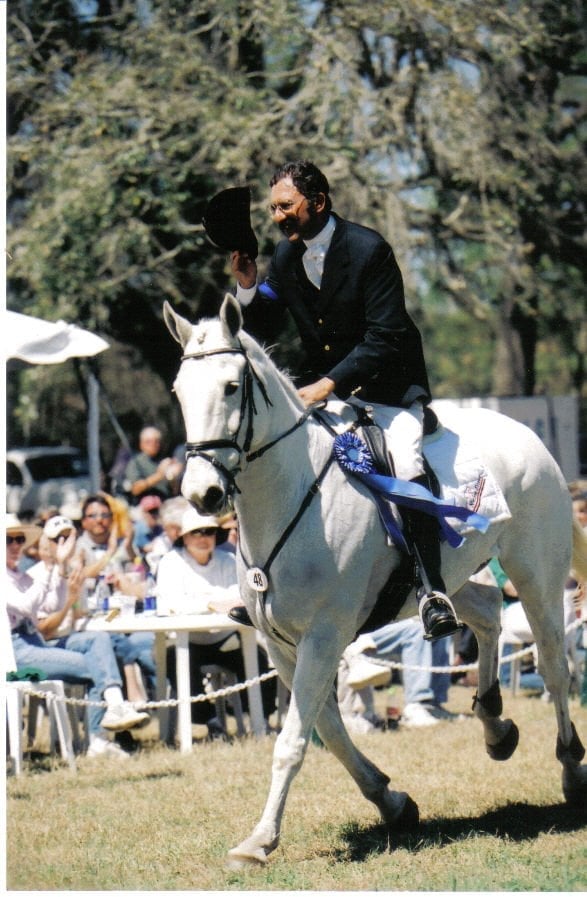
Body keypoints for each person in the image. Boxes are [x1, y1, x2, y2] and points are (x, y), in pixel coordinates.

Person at [230, 159, 457, 640]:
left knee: (405, 459)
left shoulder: (369, 249)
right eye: (272, 208)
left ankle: (431, 589)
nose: (277, 216)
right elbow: (265, 324)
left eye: (286, 206)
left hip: (389, 386)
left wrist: (330, 383)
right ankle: (265, 581)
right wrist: (249, 287)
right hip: (327, 388)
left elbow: (385, 335)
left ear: (318, 202)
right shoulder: (286, 255)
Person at [6, 513, 148, 759]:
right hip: (14, 651)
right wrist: (55, 572)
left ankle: (113, 710)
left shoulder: (21, 575)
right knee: (97, 664)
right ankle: (99, 738)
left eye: (19, 539)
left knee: (99, 639)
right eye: (9, 540)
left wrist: (59, 568)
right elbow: (27, 607)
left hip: (33, 643)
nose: (16, 545)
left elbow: (53, 602)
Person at [156, 506, 276, 739]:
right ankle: (211, 723)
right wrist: (212, 603)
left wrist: (202, 602)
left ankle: (261, 721)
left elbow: (240, 599)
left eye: (208, 532)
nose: (203, 538)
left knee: (259, 657)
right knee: (174, 661)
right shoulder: (170, 563)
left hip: (224, 638)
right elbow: (171, 605)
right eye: (196, 533)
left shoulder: (228, 559)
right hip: (188, 641)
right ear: (184, 537)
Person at [74, 497, 157, 703]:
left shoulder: (124, 546)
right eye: (92, 516)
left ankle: (166, 711)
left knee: (154, 648)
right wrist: (110, 553)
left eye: (105, 515)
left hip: (125, 618)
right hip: (92, 621)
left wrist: (126, 550)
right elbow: (81, 575)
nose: (99, 520)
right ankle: (134, 699)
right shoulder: (77, 548)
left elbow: (141, 585)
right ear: (83, 521)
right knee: (120, 646)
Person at [339, 617, 463, 729]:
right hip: (359, 632)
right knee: (417, 630)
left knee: (439, 629)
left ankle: (432, 705)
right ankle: (416, 705)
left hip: (383, 623)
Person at [123, 426, 183, 504]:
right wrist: (159, 475)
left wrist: (176, 476)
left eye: (156, 441)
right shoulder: (135, 463)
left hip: (168, 502)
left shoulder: (166, 459)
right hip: (146, 506)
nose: (153, 444)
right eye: (148, 442)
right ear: (141, 444)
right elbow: (135, 489)